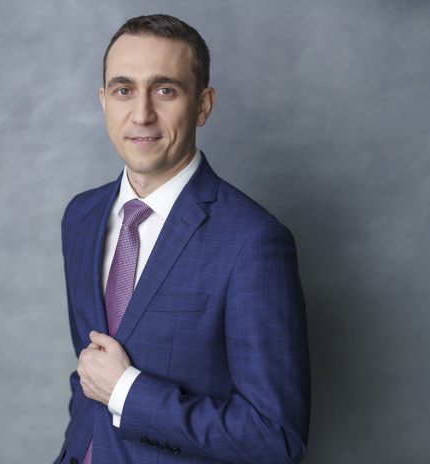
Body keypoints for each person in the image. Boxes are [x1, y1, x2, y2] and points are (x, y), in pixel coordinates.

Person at [55, 14, 310, 464]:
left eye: (165, 90)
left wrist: (127, 392)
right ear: (104, 101)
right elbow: (90, 376)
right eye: (123, 90)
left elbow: (275, 439)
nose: (141, 114)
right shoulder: (81, 216)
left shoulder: (253, 241)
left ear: (203, 105)